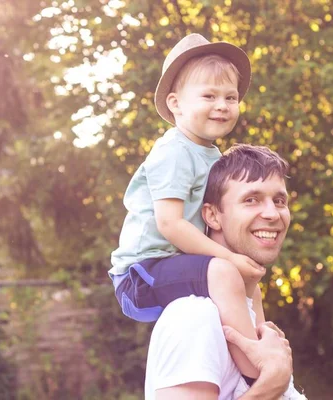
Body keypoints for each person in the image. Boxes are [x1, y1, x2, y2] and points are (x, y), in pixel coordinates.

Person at [110, 33, 263, 382]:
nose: (222, 105)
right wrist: (228, 260)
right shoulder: (174, 151)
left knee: (248, 269)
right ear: (176, 104)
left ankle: (261, 337)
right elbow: (170, 225)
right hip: (141, 274)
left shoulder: (211, 155)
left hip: (174, 263)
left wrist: (240, 262)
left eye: (231, 97)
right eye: (209, 96)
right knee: (227, 270)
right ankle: (253, 369)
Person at [144, 144, 306, 399]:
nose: (272, 213)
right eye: (251, 199)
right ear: (212, 216)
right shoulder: (195, 316)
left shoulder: (247, 308)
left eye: (279, 200)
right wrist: (270, 386)